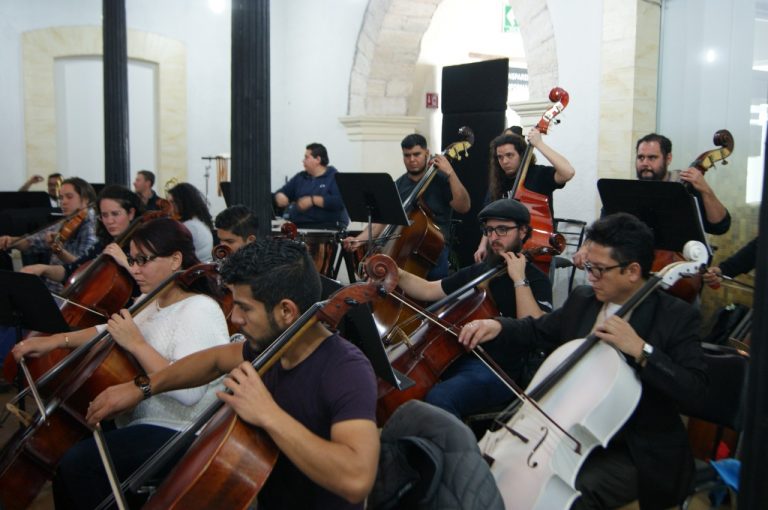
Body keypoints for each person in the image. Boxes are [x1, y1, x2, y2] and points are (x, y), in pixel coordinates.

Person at [84, 238, 379, 509]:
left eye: (244, 308)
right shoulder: (271, 346)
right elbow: (213, 361)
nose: (235, 318)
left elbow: (356, 481)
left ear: (286, 311)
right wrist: (142, 387)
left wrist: (268, 414)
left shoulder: (346, 370)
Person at [459, 213, 707, 509]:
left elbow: (696, 392)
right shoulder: (584, 300)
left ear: (632, 271)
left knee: (566, 493)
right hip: (568, 432)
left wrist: (642, 350)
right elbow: (539, 329)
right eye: (589, 267)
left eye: (599, 270)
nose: (590, 277)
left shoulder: (676, 317)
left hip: (634, 451)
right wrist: (499, 326)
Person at [12, 217, 231, 510]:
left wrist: (137, 343)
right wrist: (53, 340)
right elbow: (110, 329)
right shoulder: (151, 299)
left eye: (144, 260)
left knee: (78, 467)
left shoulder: (199, 309)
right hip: (137, 417)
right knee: (67, 459)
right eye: (132, 259)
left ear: (175, 260)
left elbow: (189, 394)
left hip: (179, 429)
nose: (135, 269)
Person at [393, 199, 552, 418]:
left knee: (440, 398)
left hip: (500, 369)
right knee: (404, 385)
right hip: (459, 357)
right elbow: (429, 290)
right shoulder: (479, 272)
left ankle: (455, 450)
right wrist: (396, 274)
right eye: (489, 230)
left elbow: (534, 327)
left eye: (502, 230)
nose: (494, 238)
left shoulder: (536, 278)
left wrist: (518, 279)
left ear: (523, 231)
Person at [343, 133, 471, 280]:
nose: (412, 160)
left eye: (417, 154)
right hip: (402, 245)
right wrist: (359, 240)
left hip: (433, 247)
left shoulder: (441, 180)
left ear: (427, 153)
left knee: (434, 278)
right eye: (407, 155)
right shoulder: (398, 185)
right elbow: (382, 220)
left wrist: (450, 173)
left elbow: (464, 206)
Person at [474, 129, 575, 262]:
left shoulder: (538, 174)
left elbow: (568, 172)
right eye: (500, 157)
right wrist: (483, 246)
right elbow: (491, 219)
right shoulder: (498, 182)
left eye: (510, 155)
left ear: (521, 155)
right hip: (503, 248)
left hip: (534, 248)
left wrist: (539, 144)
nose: (504, 161)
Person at [19, 185, 143, 287]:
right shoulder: (103, 244)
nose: (109, 221)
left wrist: (125, 261)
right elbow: (72, 269)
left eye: (115, 214)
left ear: (131, 213)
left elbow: (152, 283)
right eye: (104, 215)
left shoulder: (143, 245)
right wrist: (44, 269)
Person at [0, 177, 99, 293]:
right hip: (52, 289)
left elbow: (83, 266)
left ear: (86, 199)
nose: (63, 202)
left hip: (71, 292)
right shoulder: (67, 221)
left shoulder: (92, 225)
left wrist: (58, 250)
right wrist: (12, 241)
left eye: (69, 197)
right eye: (61, 198)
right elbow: (33, 242)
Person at [635, 133, 730, 235]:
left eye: (652, 157)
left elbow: (720, 227)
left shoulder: (686, 187)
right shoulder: (631, 191)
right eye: (640, 157)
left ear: (668, 159)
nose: (644, 163)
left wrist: (706, 190)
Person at [274, 143, 350, 230]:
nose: (303, 161)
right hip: (299, 226)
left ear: (318, 159)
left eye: (306, 157)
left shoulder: (334, 177)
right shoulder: (301, 177)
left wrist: (312, 200)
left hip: (327, 228)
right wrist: (280, 196)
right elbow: (282, 191)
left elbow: (339, 202)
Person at [167, 182, 214, 262]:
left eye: (172, 202)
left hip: (194, 271)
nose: (169, 207)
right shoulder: (197, 221)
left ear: (183, 202)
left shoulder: (189, 226)